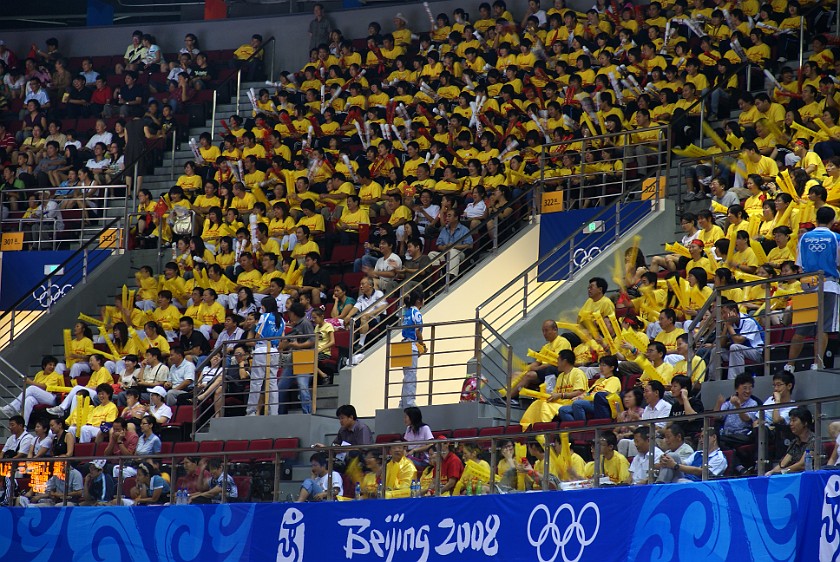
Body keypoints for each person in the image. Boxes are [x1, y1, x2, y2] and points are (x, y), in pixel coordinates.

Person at [786, 207, 840, 372]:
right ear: (832, 221)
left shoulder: (803, 238)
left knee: (801, 329)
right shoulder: (836, 237)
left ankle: (789, 365)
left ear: (816, 219)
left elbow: (800, 266)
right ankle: (817, 363)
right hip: (829, 286)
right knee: (823, 328)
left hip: (808, 286)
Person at [507, 320, 571, 404]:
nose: (544, 333)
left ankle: (510, 398)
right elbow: (537, 362)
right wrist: (529, 368)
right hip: (542, 370)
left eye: (546, 330)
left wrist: (536, 368)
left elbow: (556, 362)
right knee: (516, 374)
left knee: (529, 375)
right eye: (543, 331)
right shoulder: (546, 346)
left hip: (555, 370)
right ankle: (511, 396)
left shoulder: (562, 342)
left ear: (555, 329)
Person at [278, 303, 316, 414]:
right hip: (293, 359)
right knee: (281, 387)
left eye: (290, 313)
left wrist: (297, 346)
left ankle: (307, 413)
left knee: (303, 386)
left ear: (294, 314)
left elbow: (313, 340)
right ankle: (280, 413)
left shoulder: (305, 323)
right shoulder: (296, 325)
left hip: (303, 358)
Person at [1, 355, 62, 424]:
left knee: (32, 388)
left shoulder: (55, 375)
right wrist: (32, 383)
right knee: (29, 400)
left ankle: (12, 408)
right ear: (44, 366)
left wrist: (30, 382)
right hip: (39, 397)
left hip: (51, 397)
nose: (52, 367)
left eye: (54, 365)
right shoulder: (39, 374)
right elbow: (35, 387)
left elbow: (45, 387)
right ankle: (23, 426)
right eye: (50, 364)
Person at [249, 296, 285, 416]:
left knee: (256, 382)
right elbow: (281, 339)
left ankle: (251, 411)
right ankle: (273, 412)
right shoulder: (282, 320)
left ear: (265, 306)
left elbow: (258, 335)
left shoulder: (264, 317)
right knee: (272, 383)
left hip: (261, 349)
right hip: (274, 351)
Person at [659, 428, 728, 482]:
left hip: (699, 485)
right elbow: (683, 463)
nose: (701, 441)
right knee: (673, 456)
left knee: (679, 481)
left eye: (703, 437)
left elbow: (701, 471)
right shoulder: (697, 453)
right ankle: (659, 483)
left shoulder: (719, 458)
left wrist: (675, 465)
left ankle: (658, 488)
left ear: (714, 437)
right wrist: (667, 459)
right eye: (700, 438)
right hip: (684, 480)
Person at [719, 299, 764, 380]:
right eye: (721, 314)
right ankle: (714, 380)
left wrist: (729, 325)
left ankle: (735, 380)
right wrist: (726, 326)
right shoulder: (731, 323)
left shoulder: (748, 321)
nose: (723, 316)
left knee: (735, 347)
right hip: (741, 352)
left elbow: (738, 341)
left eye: (724, 313)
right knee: (716, 350)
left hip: (757, 353)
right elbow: (722, 344)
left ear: (733, 311)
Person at [765, 407, 815, 475]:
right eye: (790, 420)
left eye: (794, 420)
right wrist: (771, 472)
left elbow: (802, 464)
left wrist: (783, 471)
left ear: (805, 423)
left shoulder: (814, 440)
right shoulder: (794, 442)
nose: (790, 424)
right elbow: (783, 464)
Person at [399, 290, 424, 408]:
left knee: (406, 375)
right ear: (419, 301)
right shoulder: (416, 312)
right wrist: (422, 344)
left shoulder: (407, 311)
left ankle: (402, 402)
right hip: (411, 345)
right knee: (411, 374)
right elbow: (418, 331)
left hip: (404, 344)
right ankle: (409, 402)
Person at [18, 463, 83, 507]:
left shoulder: (75, 474)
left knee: (57, 506)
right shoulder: (56, 475)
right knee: (31, 506)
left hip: (71, 501)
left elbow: (79, 492)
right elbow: (51, 490)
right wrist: (53, 494)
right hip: (55, 501)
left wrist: (61, 495)